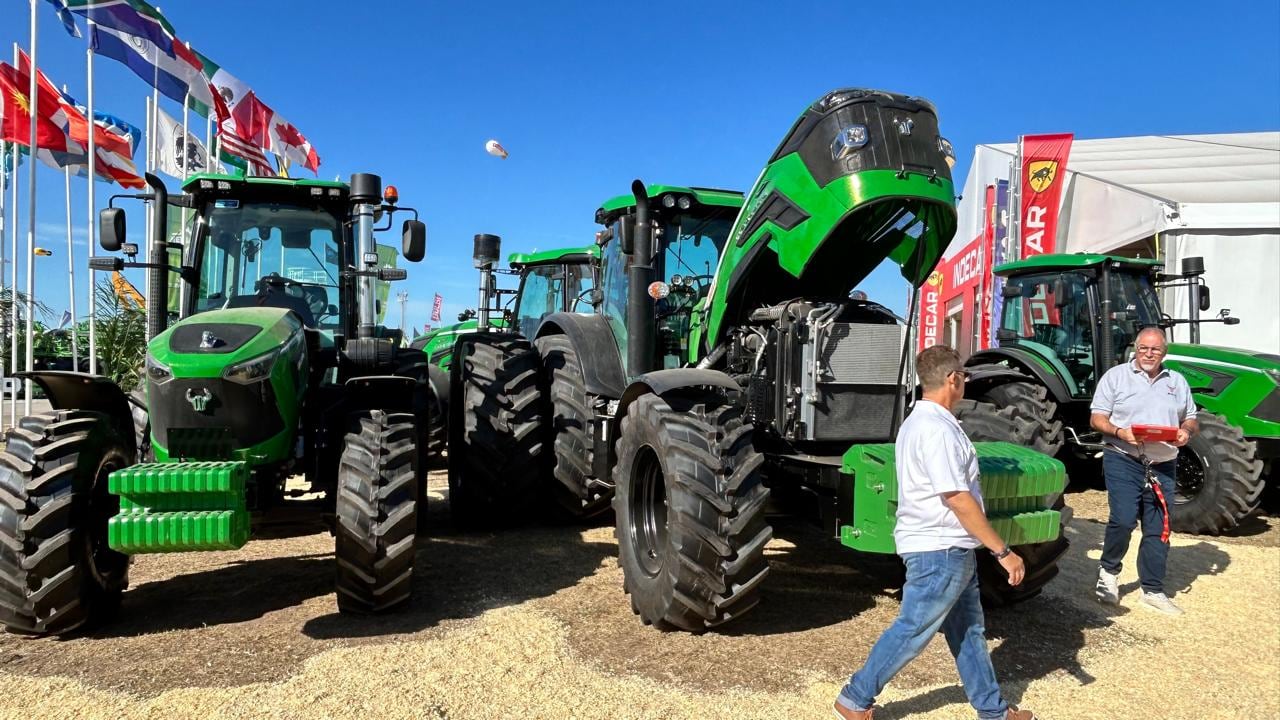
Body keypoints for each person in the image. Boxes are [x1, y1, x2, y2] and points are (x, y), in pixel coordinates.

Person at [834, 345, 1035, 720]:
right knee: (913, 629)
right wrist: (1002, 551)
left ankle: (992, 711)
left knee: (970, 632)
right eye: (964, 376)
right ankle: (855, 698)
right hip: (939, 549)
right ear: (952, 379)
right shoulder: (937, 429)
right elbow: (957, 497)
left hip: (947, 547)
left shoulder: (922, 422)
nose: (965, 382)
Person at [1089, 326, 1196, 615]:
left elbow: (1191, 418)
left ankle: (1152, 589)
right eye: (1143, 348)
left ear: (1165, 353)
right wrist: (1119, 432)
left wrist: (1186, 431)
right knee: (1123, 520)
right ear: (1135, 348)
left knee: (1159, 528)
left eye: (1155, 349)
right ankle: (1108, 573)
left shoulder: (1177, 381)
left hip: (1163, 464)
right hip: (1124, 457)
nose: (1148, 354)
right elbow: (1097, 418)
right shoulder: (1116, 377)